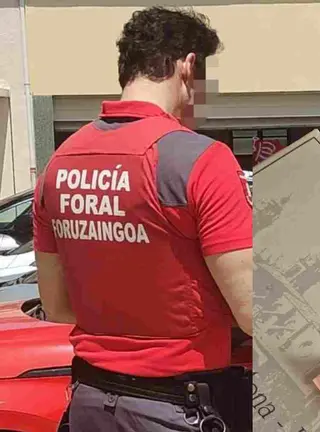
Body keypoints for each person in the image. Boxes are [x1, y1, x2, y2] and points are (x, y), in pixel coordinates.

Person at [32, 6, 252, 432]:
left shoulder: (58, 166)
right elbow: (253, 312)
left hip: (90, 405)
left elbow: (57, 306)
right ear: (188, 67)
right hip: (175, 408)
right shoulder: (201, 161)